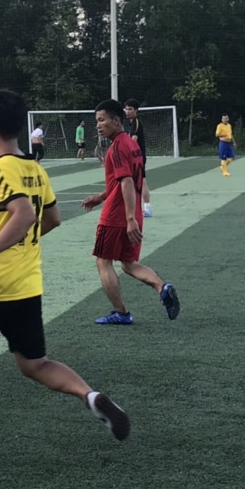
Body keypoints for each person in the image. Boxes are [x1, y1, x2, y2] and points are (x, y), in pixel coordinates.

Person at [0, 88, 130, 465]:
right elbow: (52, 219)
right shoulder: (34, 168)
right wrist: (21, 243)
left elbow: (25, 215)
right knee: (35, 363)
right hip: (27, 285)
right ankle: (90, 396)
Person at [83, 99, 179, 325]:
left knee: (103, 262)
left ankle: (121, 313)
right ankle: (162, 287)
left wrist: (128, 219)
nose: (98, 125)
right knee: (128, 264)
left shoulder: (117, 147)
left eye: (102, 120)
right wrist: (101, 197)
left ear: (117, 121)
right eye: (97, 121)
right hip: (133, 211)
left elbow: (126, 181)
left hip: (118, 215)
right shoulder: (131, 144)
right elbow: (123, 181)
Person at [123, 98, 153, 217]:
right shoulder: (131, 123)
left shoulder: (136, 122)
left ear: (136, 110)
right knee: (133, 183)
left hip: (137, 158)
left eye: (130, 109)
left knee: (142, 182)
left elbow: (133, 141)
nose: (127, 111)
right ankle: (137, 208)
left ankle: (147, 208)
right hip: (134, 157)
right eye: (126, 109)